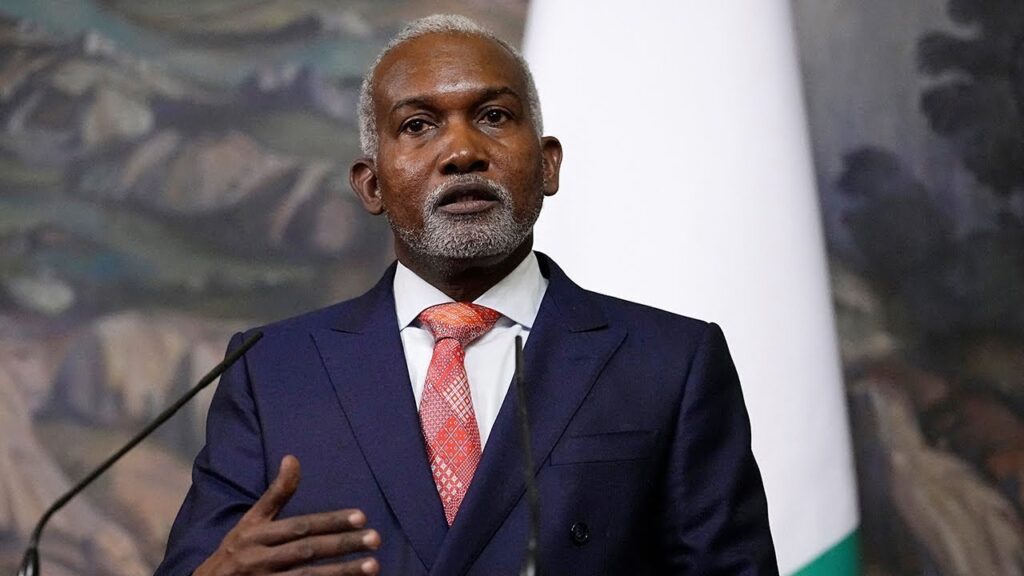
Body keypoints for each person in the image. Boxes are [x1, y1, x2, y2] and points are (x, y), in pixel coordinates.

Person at [156, 14, 778, 576]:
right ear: (371, 186)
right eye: (418, 125)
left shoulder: (670, 362)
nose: (461, 152)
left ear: (548, 165)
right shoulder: (272, 370)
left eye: (494, 117)